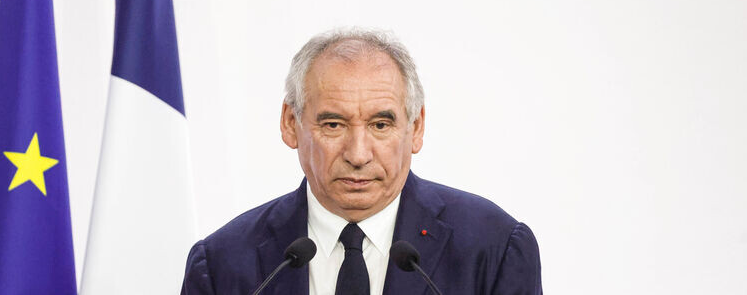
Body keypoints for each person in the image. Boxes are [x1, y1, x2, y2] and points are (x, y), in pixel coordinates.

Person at [182, 28, 542, 295]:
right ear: (291, 124)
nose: (358, 154)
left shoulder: (493, 249)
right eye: (333, 124)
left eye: (380, 125)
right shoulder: (222, 264)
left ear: (416, 128)